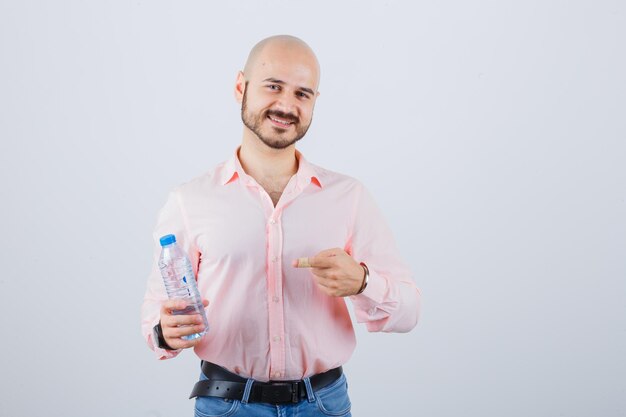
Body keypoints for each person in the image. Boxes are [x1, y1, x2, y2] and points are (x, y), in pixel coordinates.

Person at [141, 34, 421, 417]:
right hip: (227, 404)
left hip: (324, 404)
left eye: (302, 94)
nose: (287, 105)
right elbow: (155, 317)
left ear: (314, 103)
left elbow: (408, 311)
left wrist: (362, 281)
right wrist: (165, 333)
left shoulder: (348, 197)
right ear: (241, 86)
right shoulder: (190, 201)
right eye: (274, 87)